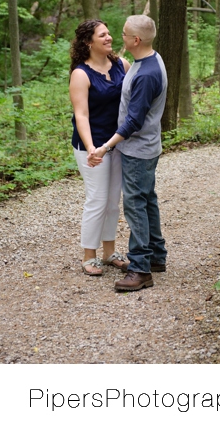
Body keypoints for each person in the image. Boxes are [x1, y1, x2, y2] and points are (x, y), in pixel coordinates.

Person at [89, 14, 168, 291]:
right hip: (146, 146)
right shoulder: (148, 60)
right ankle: (156, 256)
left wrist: (107, 145)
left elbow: (134, 121)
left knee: (135, 206)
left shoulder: (146, 73)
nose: (117, 38)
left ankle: (140, 269)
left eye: (122, 34)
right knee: (147, 200)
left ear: (135, 40)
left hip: (138, 149)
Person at [69, 19, 131, 276]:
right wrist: (92, 148)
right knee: (97, 200)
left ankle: (109, 252)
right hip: (91, 148)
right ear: (88, 42)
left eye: (109, 33)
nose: (109, 38)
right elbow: (81, 114)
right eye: (102, 35)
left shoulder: (122, 65)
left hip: (116, 143)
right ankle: (88, 256)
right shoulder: (80, 74)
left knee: (113, 202)